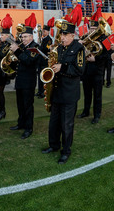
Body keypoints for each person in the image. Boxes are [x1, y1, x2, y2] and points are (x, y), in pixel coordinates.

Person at [42, 19, 85, 164]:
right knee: (54, 123)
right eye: (62, 34)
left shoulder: (79, 48)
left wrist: (63, 67)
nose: (63, 37)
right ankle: (54, 145)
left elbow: (80, 70)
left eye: (66, 35)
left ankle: (66, 151)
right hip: (57, 91)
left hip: (69, 93)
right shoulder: (59, 48)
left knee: (67, 125)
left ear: (72, 36)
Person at [10, 14, 40, 139]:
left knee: (28, 105)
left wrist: (16, 51)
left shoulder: (35, 47)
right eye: (22, 37)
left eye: (26, 36)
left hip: (28, 81)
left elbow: (28, 61)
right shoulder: (23, 46)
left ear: (31, 37)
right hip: (20, 79)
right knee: (20, 104)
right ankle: (21, 123)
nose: (23, 39)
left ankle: (29, 128)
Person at [78, 12, 108, 124]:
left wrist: (96, 59)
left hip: (98, 71)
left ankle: (97, 115)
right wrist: (80, 44)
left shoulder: (104, 38)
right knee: (87, 93)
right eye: (91, 28)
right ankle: (86, 111)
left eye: (95, 28)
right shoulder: (85, 37)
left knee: (97, 95)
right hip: (86, 71)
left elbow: (107, 55)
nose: (92, 31)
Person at [36, 19, 53, 98]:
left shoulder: (49, 40)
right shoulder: (42, 39)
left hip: (44, 60)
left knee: (43, 78)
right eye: (43, 31)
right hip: (40, 60)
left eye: (45, 31)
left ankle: (43, 92)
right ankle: (39, 91)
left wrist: (39, 47)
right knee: (39, 77)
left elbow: (46, 49)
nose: (43, 32)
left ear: (48, 32)